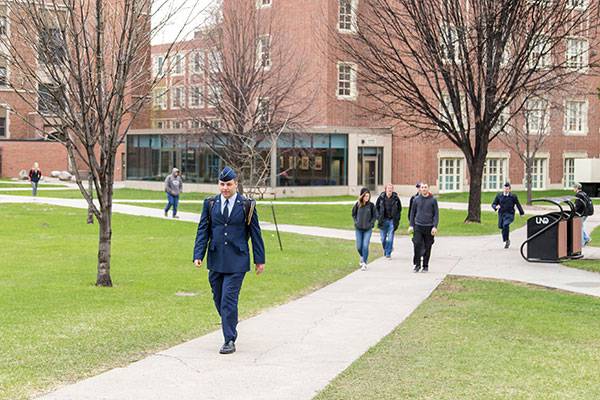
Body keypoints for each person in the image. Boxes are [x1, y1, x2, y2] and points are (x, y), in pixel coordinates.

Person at [193, 166, 266, 355]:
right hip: (216, 259)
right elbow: (203, 230)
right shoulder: (210, 204)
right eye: (222, 184)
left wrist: (260, 260)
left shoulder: (247, 205)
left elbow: (255, 233)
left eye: (229, 184)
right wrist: (198, 254)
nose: (225, 188)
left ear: (236, 184)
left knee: (227, 300)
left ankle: (229, 340)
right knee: (218, 298)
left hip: (237, 261)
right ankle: (230, 320)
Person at [409, 183, 438, 272]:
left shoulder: (433, 200)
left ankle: (425, 266)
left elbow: (436, 214)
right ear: (420, 189)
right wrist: (411, 225)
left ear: (428, 188)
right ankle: (417, 265)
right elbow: (412, 213)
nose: (424, 189)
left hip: (429, 227)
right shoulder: (416, 200)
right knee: (417, 244)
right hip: (418, 226)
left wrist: (434, 226)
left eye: (425, 187)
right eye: (422, 187)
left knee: (428, 246)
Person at [491, 182, 524, 249]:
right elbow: (493, 204)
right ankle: (506, 240)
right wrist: (495, 207)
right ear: (503, 189)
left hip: (510, 214)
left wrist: (521, 213)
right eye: (505, 189)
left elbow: (518, 204)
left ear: (509, 190)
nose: (506, 190)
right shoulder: (499, 196)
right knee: (501, 227)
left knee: (505, 225)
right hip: (501, 214)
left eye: (507, 189)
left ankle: (506, 240)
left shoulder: (513, 196)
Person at [352, 188, 378, 271]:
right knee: (359, 246)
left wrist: (371, 224)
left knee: (365, 245)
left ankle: (364, 263)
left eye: (368, 196)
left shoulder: (371, 205)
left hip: (368, 229)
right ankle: (362, 256)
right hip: (358, 229)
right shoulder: (357, 204)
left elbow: (375, 216)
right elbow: (353, 214)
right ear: (362, 196)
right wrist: (356, 222)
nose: (367, 197)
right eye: (365, 196)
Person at [375, 183, 402, 259]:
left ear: (392, 190)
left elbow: (399, 209)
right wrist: (378, 217)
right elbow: (376, 208)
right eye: (388, 188)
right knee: (383, 239)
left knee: (390, 238)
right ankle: (387, 249)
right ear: (385, 189)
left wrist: (397, 218)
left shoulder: (396, 198)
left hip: (391, 221)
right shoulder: (381, 198)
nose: (390, 190)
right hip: (383, 221)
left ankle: (388, 253)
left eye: (391, 188)